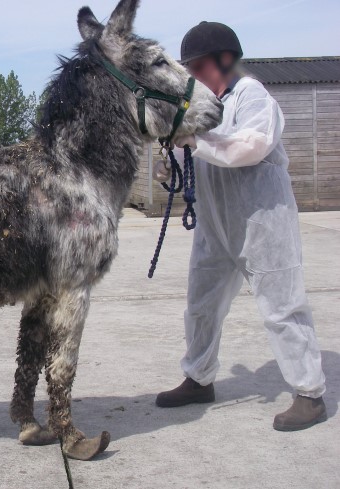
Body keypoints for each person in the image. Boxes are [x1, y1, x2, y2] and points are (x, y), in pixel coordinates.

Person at [152, 21, 327, 431]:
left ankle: (309, 393)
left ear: (225, 61)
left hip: (263, 219)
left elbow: (250, 147)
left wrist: (196, 142)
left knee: (282, 306)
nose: (192, 77)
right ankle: (198, 378)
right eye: (189, 69)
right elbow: (189, 159)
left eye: (198, 67)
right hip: (215, 223)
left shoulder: (252, 96)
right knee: (201, 305)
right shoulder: (197, 106)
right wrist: (169, 165)